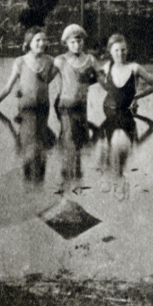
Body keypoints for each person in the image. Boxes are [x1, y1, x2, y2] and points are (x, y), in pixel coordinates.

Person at [0, 27, 59, 183]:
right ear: (29, 43)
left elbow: (52, 78)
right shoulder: (20, 62)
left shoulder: (51, 61)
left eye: (44, 40)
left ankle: (40, 180)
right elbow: (8, 87)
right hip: (25, 112)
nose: (41, 43)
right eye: (37, 40)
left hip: (43, 111)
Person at [96, 33, 153, 199]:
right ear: (111, 51)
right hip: (108, 113)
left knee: (122, 145)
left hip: (127, 115)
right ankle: (114, 183)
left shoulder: (135, 68)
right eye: (116, 50)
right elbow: (95, 80)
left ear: (127, 50)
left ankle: (119, 185)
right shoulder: (106, 68)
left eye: (123, 50)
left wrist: (136, 97)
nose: (120, 54)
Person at [52, 24, 99, 190]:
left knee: (80, 140)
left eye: (79, 41)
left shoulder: (90, 60)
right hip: (65, 105)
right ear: (66, 43)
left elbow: (101, 78)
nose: (76, 45)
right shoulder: (61, 60)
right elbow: (45, 79)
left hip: (81, 106)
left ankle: (76, 172)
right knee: (69, 139)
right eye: (72, 42)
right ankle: (66, 175)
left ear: (83, 42)